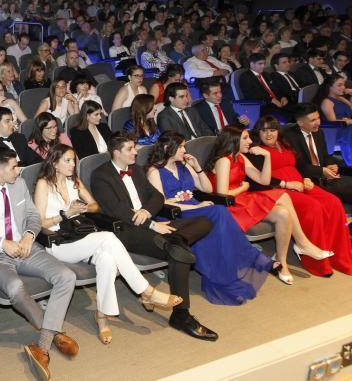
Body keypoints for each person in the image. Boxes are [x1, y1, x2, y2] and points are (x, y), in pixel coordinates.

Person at [35, 144, 182, 344]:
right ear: (54, 163)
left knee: (107, 260)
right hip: (58, 242)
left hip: (80, 236)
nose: (72, 164)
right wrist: (64, 214)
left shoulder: (74, 181)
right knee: (109, 238)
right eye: (67, 161)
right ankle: (146, 291)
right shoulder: (44, 184)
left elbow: (96, 206)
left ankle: (102, 317)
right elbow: (39, 222)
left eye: (73, 160)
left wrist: (83, 207)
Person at [0, 148, 78, 380]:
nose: (19, 169)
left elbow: (34, 216)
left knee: (67, 276)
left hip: (27, 248)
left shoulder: (19, 184)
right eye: (14, 166)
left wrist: (28, 236)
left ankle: (42, 344)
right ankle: (54, 334)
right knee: (14, 287)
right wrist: (3, 243)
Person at [90, 132, 217, 341]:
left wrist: (148, 213)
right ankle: (181, 314)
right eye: (130, 149)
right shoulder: (101, 175)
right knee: (177, 250)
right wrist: (152, 225)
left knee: (204, 222)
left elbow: (157, 197)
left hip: (152, 223)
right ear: (116, 152)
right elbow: (117, 210)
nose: (135, 152)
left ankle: (177, 241)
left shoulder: (137, 170)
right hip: (126, 231)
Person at [146, 132, 278, 303]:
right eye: (181, 146)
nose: (184, 150)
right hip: (175, 213)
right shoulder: (154, 171)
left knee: (218, 222)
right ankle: (253, 257)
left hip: (196, 209)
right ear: (166, 148)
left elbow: (207, 189)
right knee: (219, 211)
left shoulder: (184, 165)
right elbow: (162, 204)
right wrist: (196, 206)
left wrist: (198, 168)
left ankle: (229, 275)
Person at [207, 125, 332, 284]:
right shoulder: (224, 160)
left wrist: (266, 156)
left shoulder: (240, 157)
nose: (250, 141)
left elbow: (264, 181)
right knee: (283, 196)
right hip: (228, 206)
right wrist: (243, 187)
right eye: (245, 138)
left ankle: (283, 262)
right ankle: (302, 244)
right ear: (233, 140)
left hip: (242, 199)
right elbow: (222, 195)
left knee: (283, 213)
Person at [252, 116, 352, 276]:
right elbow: (258, 179)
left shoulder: (284, 144)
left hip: (299, 183)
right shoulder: (256, 150)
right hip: (278, 189)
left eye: (272, 129)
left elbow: (297, 165)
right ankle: (317, 262)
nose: (268, 134)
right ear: (258, 132)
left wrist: (304, 177)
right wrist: (287, 183)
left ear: (278, 131)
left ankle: (338, 256)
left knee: (333, 202)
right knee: (313, 207)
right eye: (263, 130)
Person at [281, 102, 352, 208]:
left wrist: (331, 165)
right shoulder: (289, 137)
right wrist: (321, 171)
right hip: (310, 180)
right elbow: (297, 165)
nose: (318, 122)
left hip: (327, 177)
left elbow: (325, 155)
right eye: (313, 120)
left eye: (318, 118)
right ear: (300, 122)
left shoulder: (318, 132)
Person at [239, 54, 291, 119]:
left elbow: (275, 89)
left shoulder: (266, 74)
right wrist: (271, 100)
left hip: (277, 102)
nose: (263, 66)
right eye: (260, 64)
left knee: (297, 111)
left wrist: (282, 97)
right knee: (286, 116)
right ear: (252, 64)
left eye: (264, 64)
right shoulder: (245, 77)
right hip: (263, 106)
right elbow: (252, 95)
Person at [315, 73, 352, 164]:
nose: (343, 87)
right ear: (329, 87)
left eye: (343, 85)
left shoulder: (341, 98)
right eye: (339, 85)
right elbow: (332, 122)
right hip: (337, 131)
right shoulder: (327, 102)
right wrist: (348, 121)